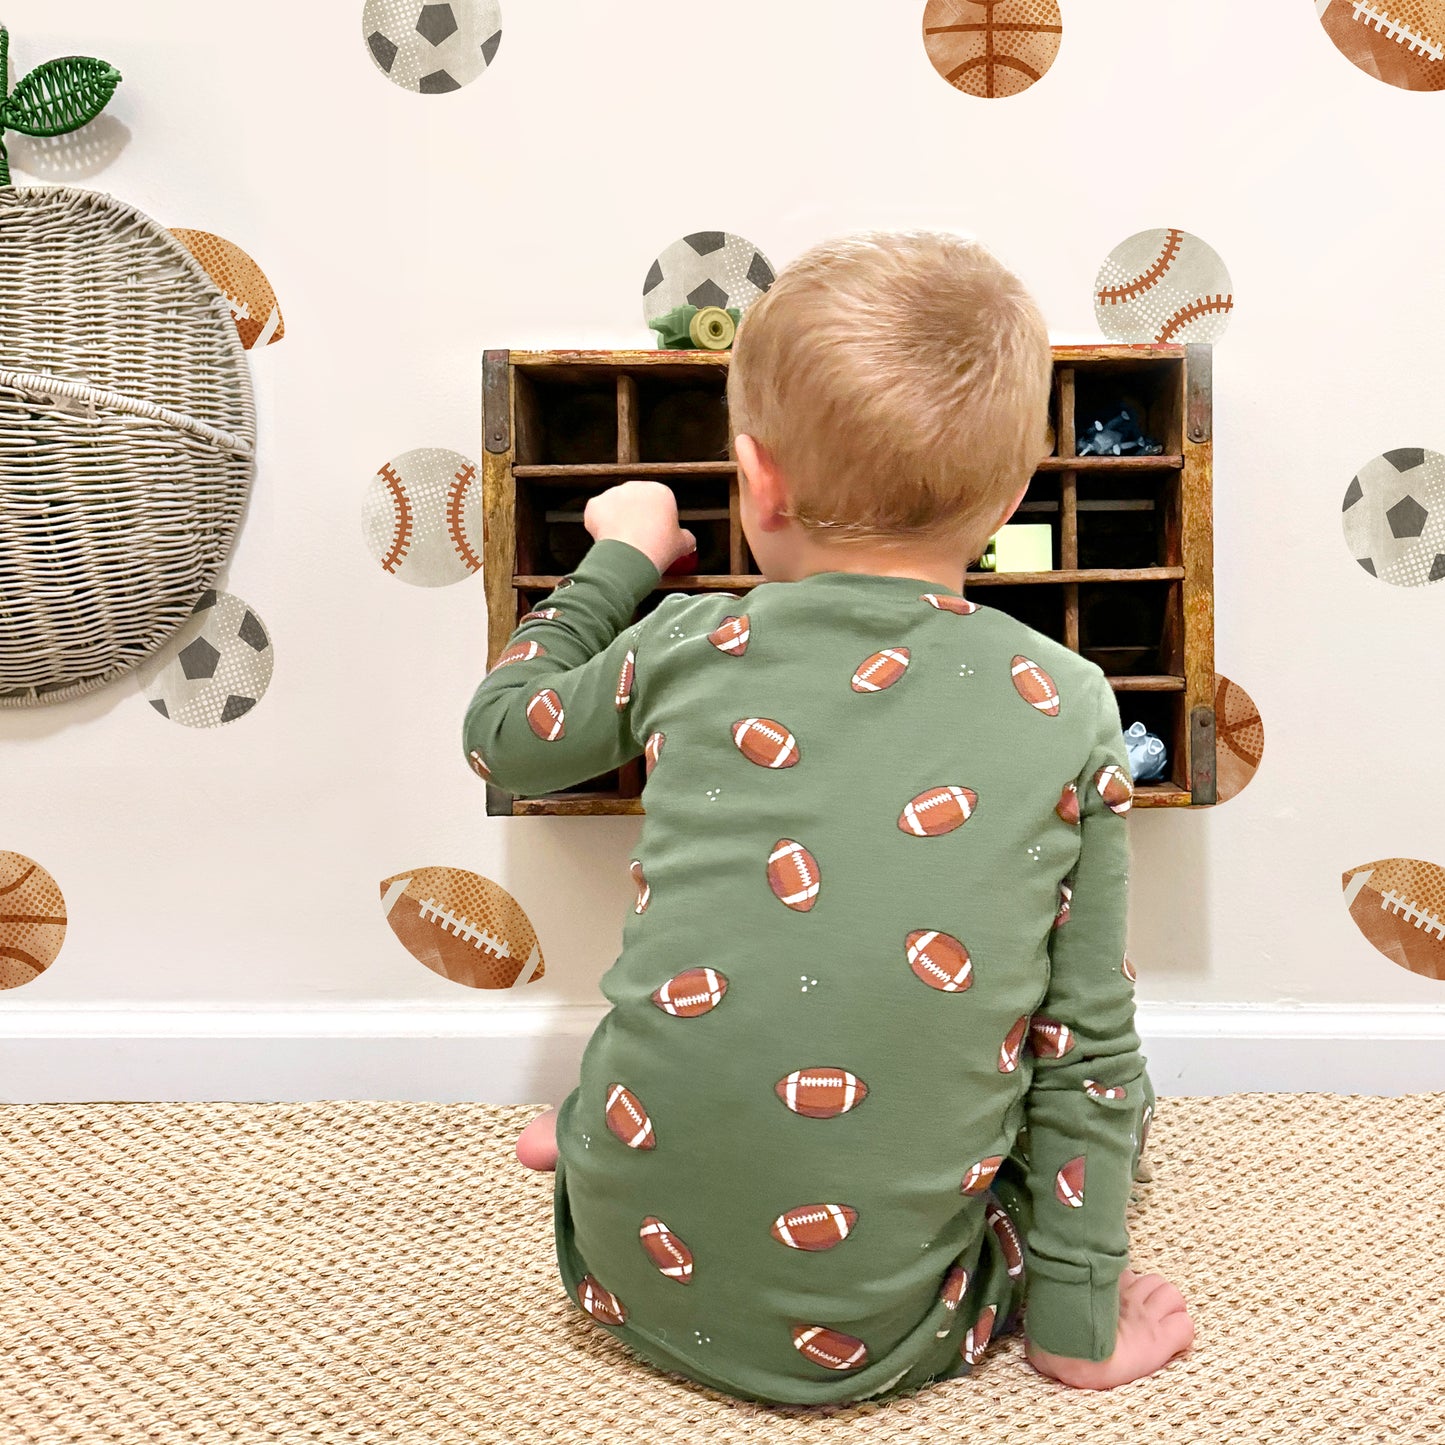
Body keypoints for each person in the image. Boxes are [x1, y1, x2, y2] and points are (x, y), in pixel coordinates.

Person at [462, 231, 1194, 1403]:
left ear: (754, 476)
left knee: (700, 991)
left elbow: (502, 729)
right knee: (1102, 1098)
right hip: (884, 1324)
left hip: (615, 1262)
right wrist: (1077, 1316)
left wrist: (616, 561)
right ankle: (1043, 1315)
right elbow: (1083, 1044)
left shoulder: (687, 643)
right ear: (1009, 495)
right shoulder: (1068, 701)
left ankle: (620, 1125)